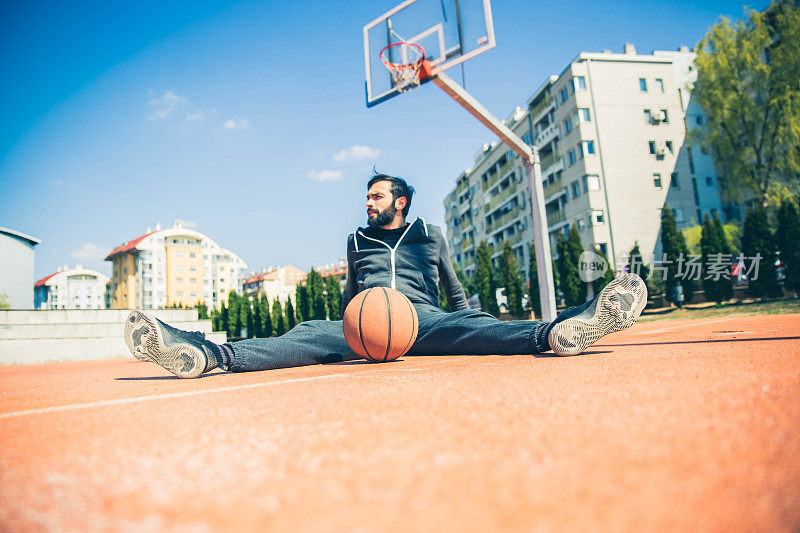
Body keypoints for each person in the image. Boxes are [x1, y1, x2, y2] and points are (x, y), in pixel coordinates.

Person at [124, 174, 648, 378]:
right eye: (366, 196)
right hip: (362, 321)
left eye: (375, 195)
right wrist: (344, 324)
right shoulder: (355, 240)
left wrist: (466, 320)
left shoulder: (430, 233)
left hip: (421, 317)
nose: (366, 202)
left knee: (476, 327)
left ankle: (563, 328)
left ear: (399, 201)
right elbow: (352, 290)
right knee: (303, 336)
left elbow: (455, 289)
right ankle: (202, 353)